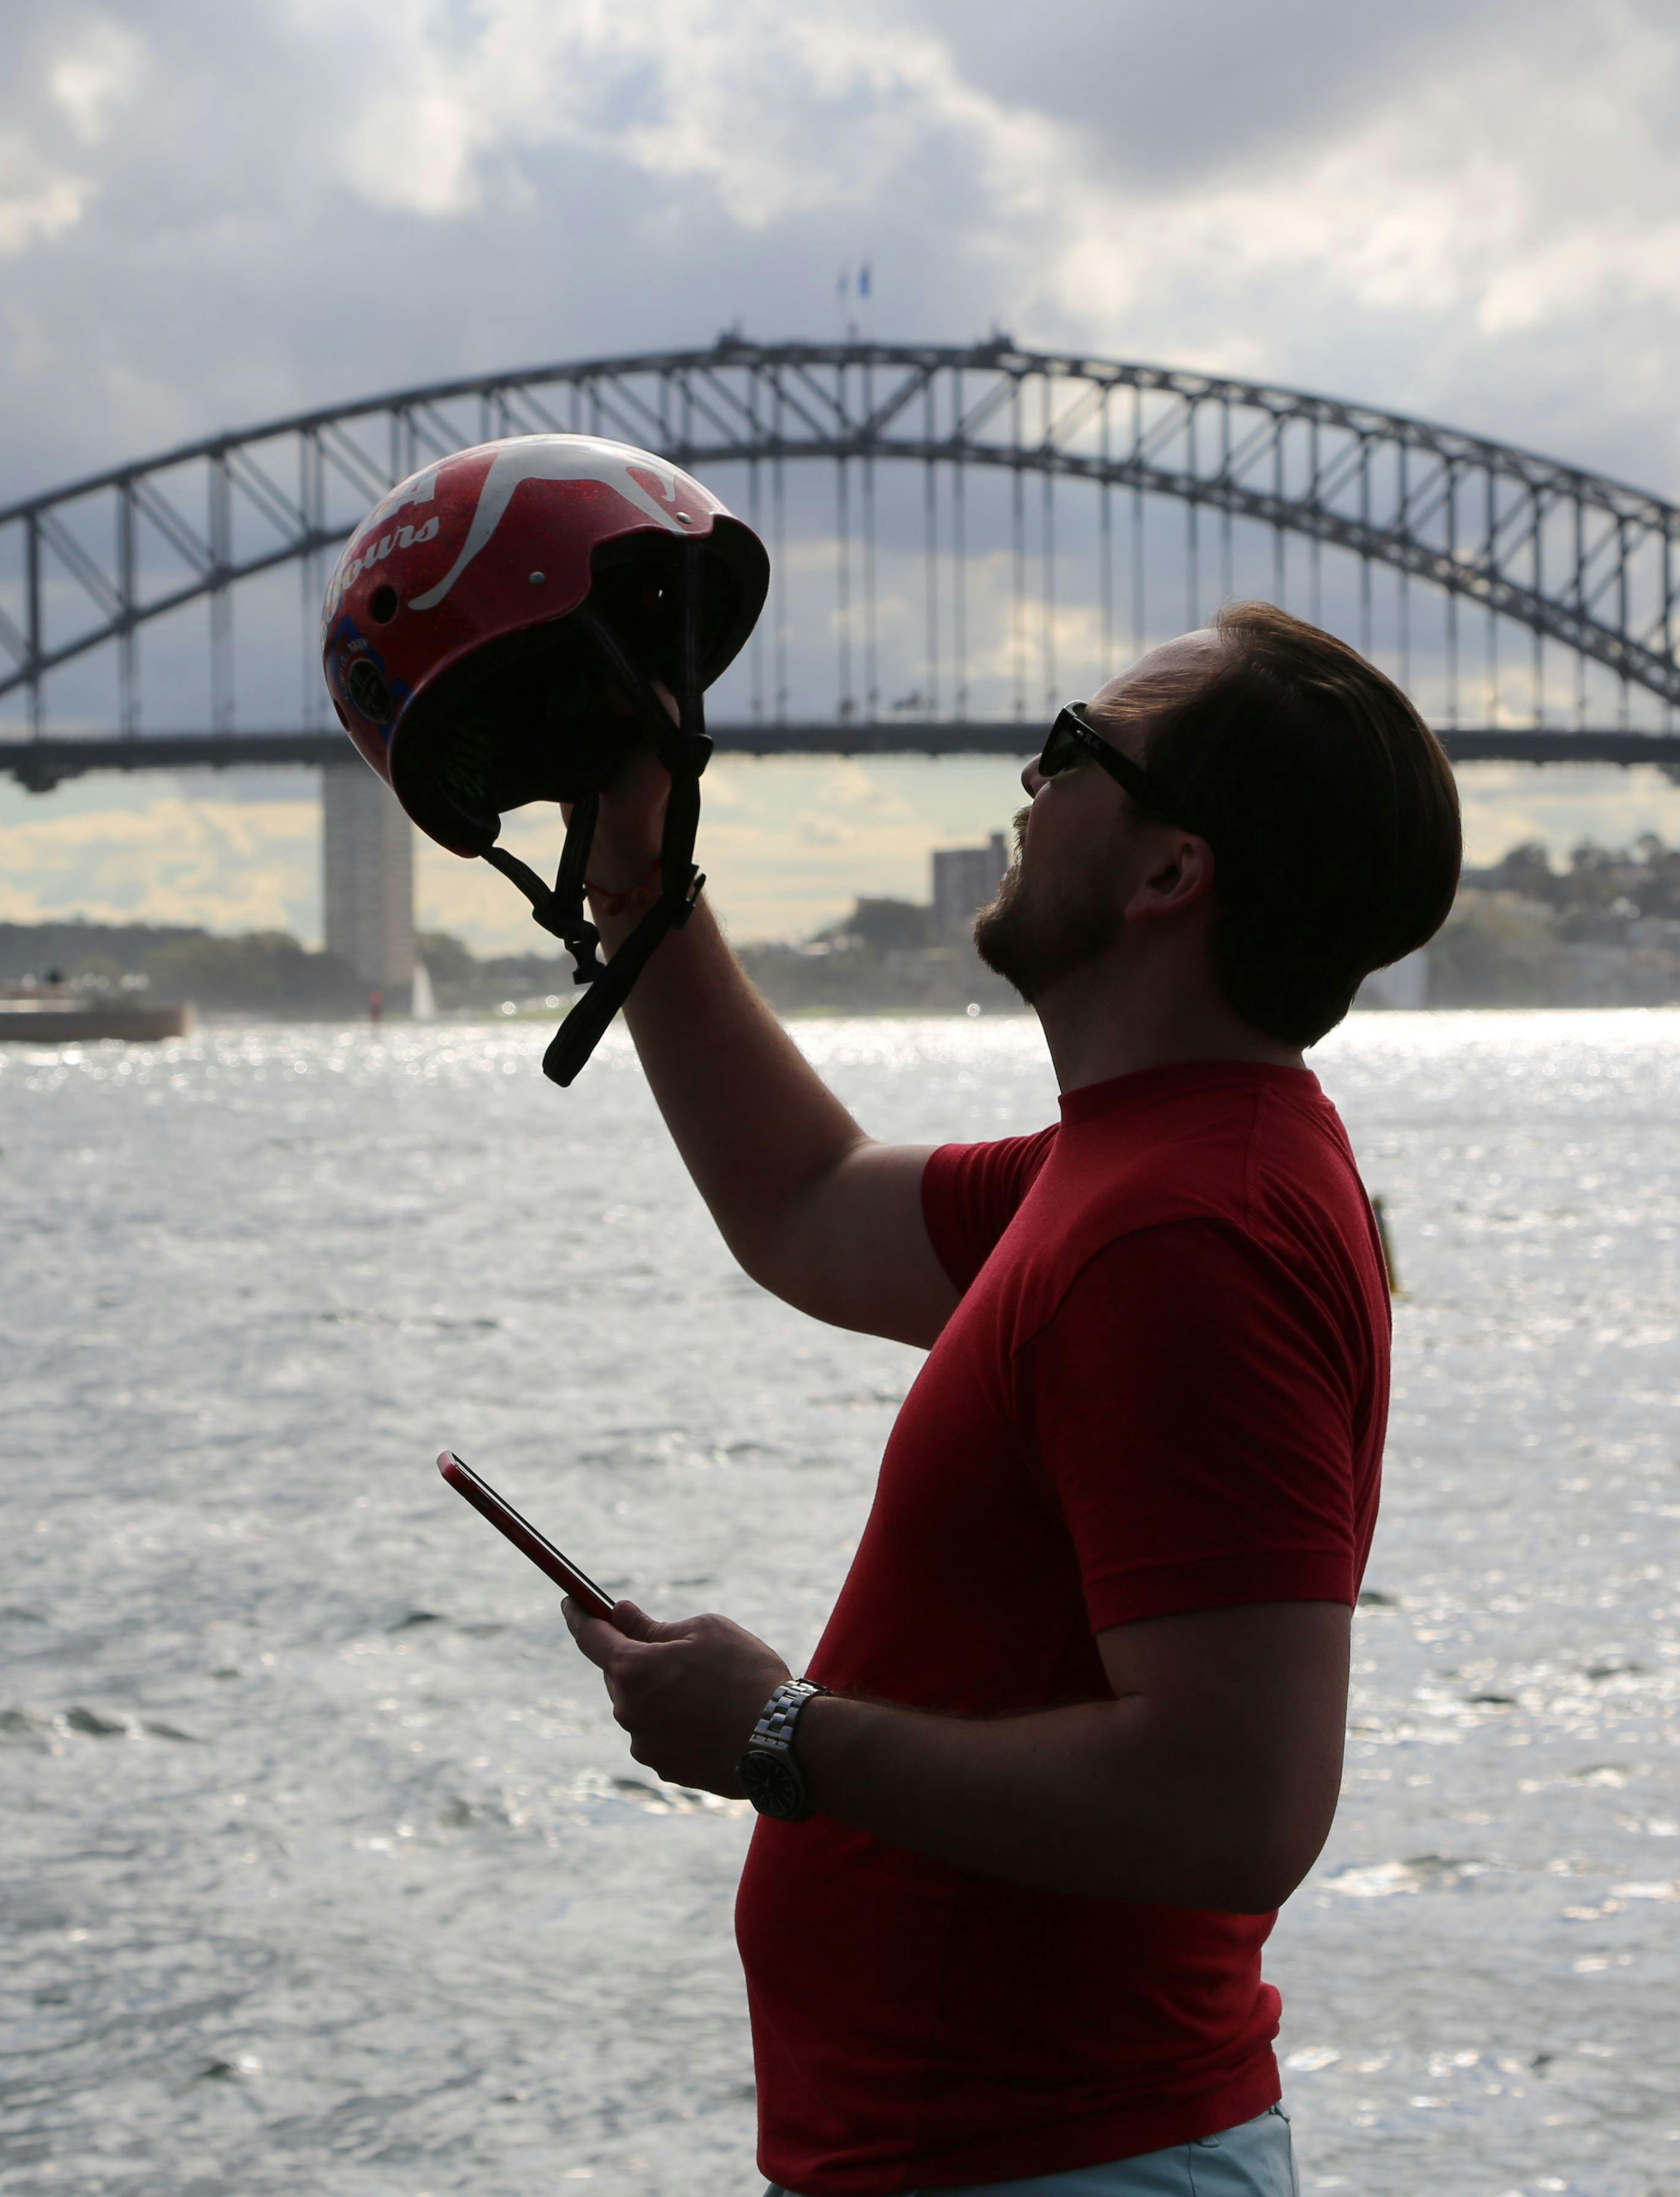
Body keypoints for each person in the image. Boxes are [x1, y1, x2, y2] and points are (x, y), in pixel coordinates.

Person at [562, 602, 1462, 2197]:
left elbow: (1237, 1805)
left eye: (1076, 747)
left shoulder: (1189, 1232)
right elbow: (805, 1202)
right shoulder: (1130, 1169)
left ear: (1170, 872)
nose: (1031, 780)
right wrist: (634, 868)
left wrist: (779, 1735)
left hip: (1062, 2165)